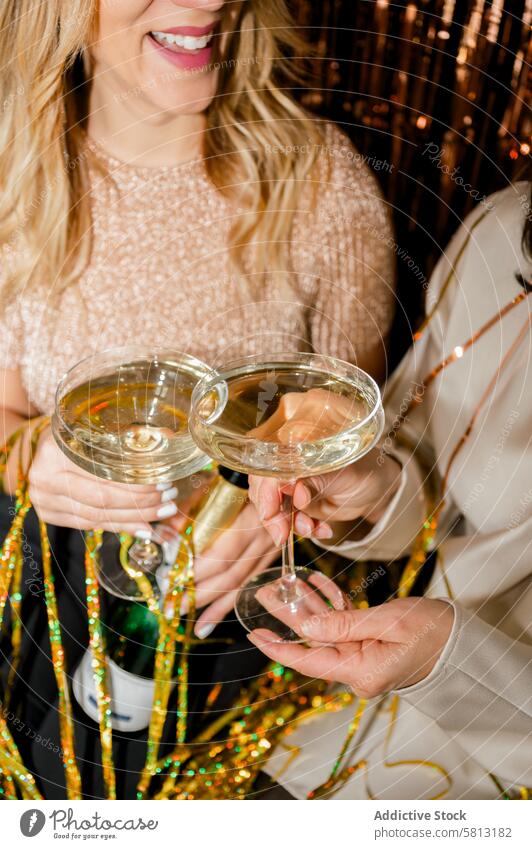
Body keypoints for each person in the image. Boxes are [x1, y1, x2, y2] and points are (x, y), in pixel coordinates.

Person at [0, 1, 394, 798]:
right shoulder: (14, 175)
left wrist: (293, 501)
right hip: (47, 617)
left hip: (251, 652)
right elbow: (5, 415)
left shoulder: (317, 178)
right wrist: (24, 460)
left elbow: (371, 456)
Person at [249, 182, 532, 799]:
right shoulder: (507, 223)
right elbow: (424, 444)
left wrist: (448, 664)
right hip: (352, 720)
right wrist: (374, 491)